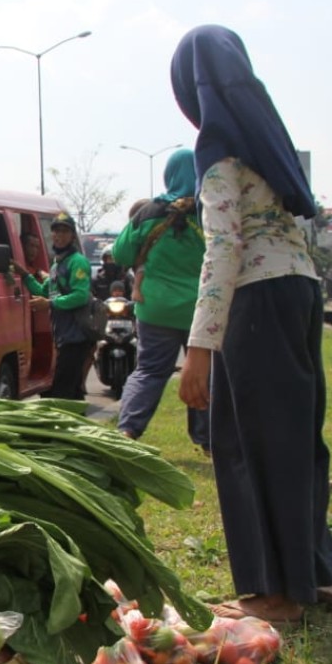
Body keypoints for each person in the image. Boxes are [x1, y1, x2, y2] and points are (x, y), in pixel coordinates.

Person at [171, 24, 332, 623]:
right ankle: (315, 574)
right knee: (296, 438)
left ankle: (272, 592)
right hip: (298, 294)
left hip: (256, 302)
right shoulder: (271, 149)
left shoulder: (219, 154)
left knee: (247, 447)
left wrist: (198, 348)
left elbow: (224, 250)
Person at [112, 148, 210, 452]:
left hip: (155, 309)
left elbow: (121, 254)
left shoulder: (148, 212)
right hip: (202, 309)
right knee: (206, 372)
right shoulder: (210, 209)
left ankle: (127, 432)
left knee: (149, 371)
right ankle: (208, 441)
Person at [18, 212, 95, 400]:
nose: (59, 236)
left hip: (77, 337)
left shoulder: (77, 262)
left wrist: (50, 304)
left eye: (64, 232)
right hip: (64, 337)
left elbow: (80, 296)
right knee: (73, 391)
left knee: (62, 391)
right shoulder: (56, 265)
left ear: (72, 236)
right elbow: (44, 291)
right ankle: (81, 427)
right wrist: (25, 275)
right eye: (56, 231)